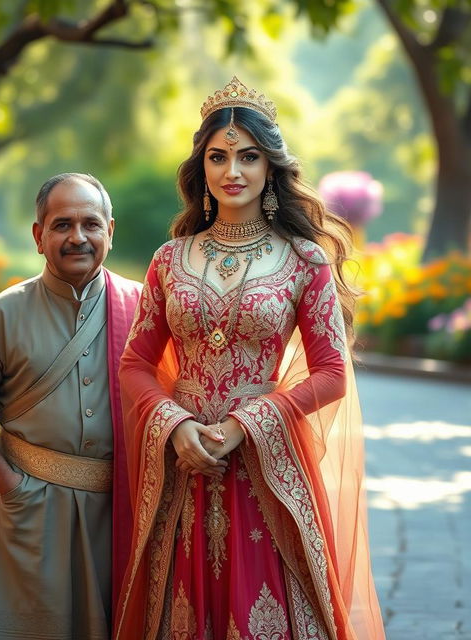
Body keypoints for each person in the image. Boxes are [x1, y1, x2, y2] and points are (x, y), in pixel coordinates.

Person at [114, 77, 386, 639]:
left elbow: (332, 374)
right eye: (218, 157)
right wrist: (174, 426)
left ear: (269, 168)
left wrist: (248, 423)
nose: (232, 170)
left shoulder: (304, 260)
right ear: (202, 170)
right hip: (184, 463)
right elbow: (135, 364)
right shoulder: (170, 259)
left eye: (248, 156)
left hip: (266, 463)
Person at [0, 173, 141, 640]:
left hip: (123, 510)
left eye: (91, 224)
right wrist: (11, 486)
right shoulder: (1, 314)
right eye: (62, 225)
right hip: (32, 510)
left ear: (110, 231)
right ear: (39, 235)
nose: (78, 238)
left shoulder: (145, 308)